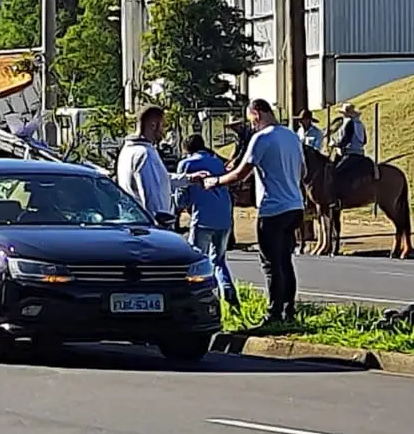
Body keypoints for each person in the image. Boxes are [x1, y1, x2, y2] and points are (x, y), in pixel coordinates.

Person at [203, 99, 305, 324]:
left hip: (273, 209)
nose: (251, 126)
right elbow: (303, 170)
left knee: (271, 264)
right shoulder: (291, 136)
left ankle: (274, 313)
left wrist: (216, 181)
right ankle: (289, 311)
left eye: (251, 120)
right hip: (295, 206)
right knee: (286, 261)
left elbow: (241, 173)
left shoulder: (262, 138)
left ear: (257, 114)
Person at [176, 134, 239, 309]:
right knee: (218, 260)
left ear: (187, 150)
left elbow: (182, 196)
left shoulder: (186, 164)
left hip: (202, 218)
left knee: (197, 261)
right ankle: (228, 292)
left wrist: (179, 207)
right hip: (224, 218)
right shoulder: (217, 162)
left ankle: (200, 300)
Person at [116, 105, 194, 227]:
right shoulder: (144, 154)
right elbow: (151, 194)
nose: (164, 131)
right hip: (150, 229)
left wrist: (189, 179)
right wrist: (161, 224)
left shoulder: (127, 151)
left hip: (134, 223)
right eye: (163, 125)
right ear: (153, 125)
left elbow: (159, 180)